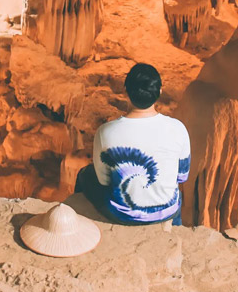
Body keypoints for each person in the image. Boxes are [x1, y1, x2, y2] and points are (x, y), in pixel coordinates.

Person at [75, 63, 191, 226]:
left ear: (126, 92)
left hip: (123, 214)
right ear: (159, 91)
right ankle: (175, 230)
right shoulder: (178, 128)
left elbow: (103, 181)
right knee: (175, 196)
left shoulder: (106, 132)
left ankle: (81, 227)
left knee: (85, 175)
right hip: (168, 211)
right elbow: (181, 176)